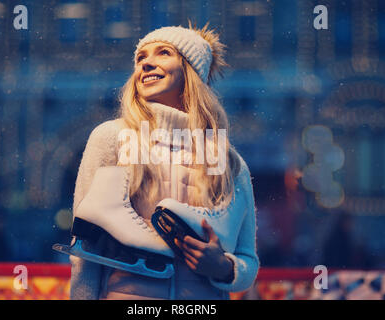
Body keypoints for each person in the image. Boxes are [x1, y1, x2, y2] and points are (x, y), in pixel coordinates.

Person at [69, 22, 259, 300]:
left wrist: (222, 267)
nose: (146, 64)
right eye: (140, 58)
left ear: (191, 71)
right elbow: (84, 250)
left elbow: (248, 259)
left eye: (163, 53)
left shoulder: (226, 160)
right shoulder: (113, 137)